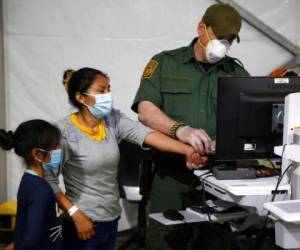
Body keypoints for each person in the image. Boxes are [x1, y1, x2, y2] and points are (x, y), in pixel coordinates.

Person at [45, 67, 207, 250]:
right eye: (100, 91)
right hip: (81, 222)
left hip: (110, 218)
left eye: (108, 89)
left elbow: (145, 134)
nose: (108, 95)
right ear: (81, 98)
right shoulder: (61, 132)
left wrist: (186, 150)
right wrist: (75, 214)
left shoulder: (111, 120)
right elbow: (47, 178)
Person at [131, 3, 250, 250]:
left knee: (215, 242)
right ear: (201, 28)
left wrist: (226, 142)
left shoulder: (236, 72)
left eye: (229, 40)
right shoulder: (165, 63)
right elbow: (146, 112)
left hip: (218, 178)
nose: (224, 45)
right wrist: (181, 131)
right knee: (164, 241)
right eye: (219, 37)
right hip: (171, 175)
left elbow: (250, 119)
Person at [0, 120, 62, 250]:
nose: (59, 150)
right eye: (55, 147)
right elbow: (31, 238)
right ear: (37, 154)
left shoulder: (29, 180)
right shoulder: (40, 190)